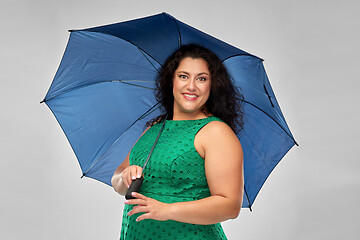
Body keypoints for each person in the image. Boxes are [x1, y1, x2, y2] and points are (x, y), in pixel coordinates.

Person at [111, 44, 244, 240]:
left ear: (212, 85)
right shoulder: (155, 128)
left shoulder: (215, 132)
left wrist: (168, 210)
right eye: (183, 76)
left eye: (201, 78)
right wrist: (125, 176)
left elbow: (230, 205)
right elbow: (117, 180)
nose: (191, 86)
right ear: (170, 80)